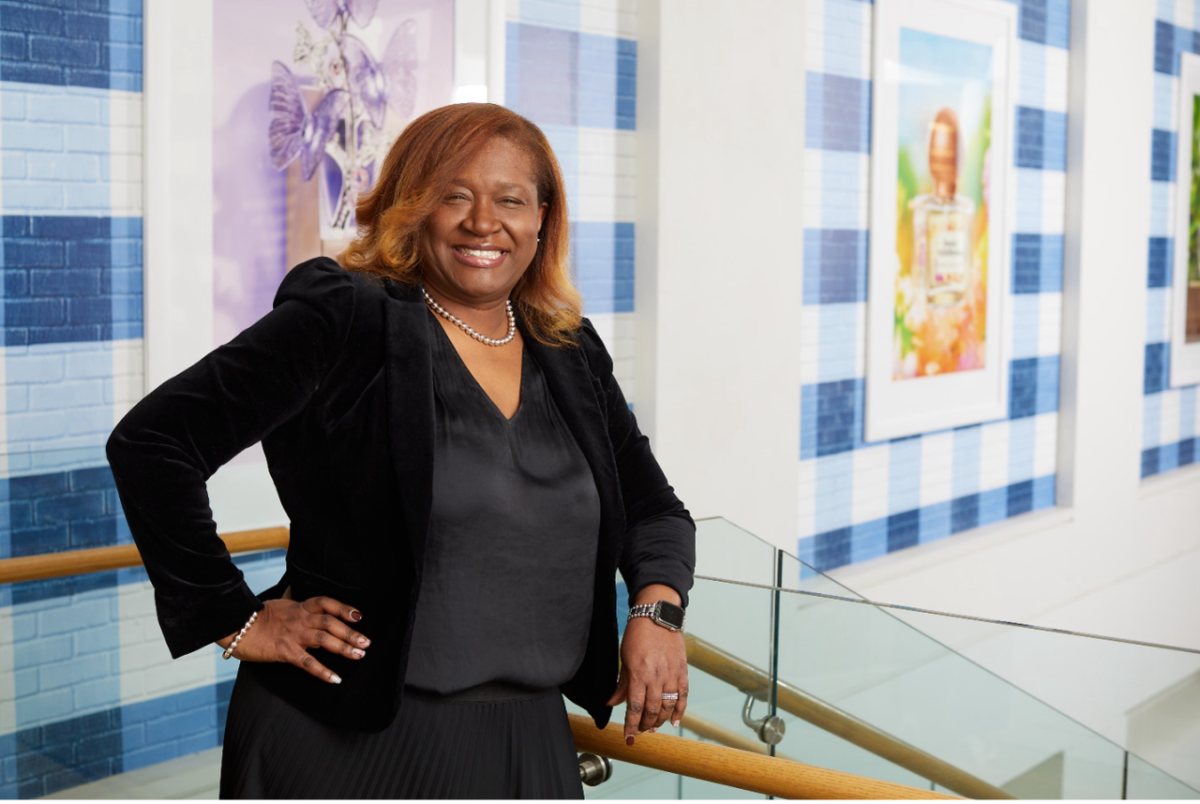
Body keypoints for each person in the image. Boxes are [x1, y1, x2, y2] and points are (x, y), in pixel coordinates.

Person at [106, 103, 696, 801]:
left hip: (526, 737)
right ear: (410, 207)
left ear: (542, 218)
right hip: (344, 742)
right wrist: (231, 617)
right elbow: (153, 442)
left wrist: (656, 615)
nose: (484, 222)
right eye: (455, 195)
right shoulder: (346, 317)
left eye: (510, 199)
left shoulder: (568, 348)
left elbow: (653, 509)